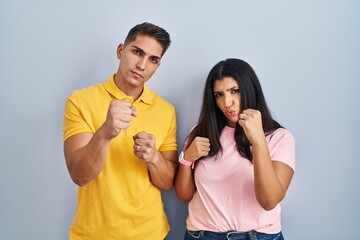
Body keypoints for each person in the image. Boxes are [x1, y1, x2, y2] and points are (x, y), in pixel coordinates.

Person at [62, 22, 178, 240]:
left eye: (153, 59)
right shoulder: (80, 100)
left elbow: (167, 182)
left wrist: (154, 158)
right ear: (120, 51)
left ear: (157, 66)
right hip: (94, 234)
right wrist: (105, 132)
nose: (142, 65)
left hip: (151, 233)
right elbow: (79, 175)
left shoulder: (166, 110)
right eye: (137, 52)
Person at [174, 58, 295, 240]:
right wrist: (186, 158)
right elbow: (184, 195)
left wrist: (258, 141)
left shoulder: (280, 138)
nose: (227, 102)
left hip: (257, 236)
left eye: (234, 91)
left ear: (249, 89)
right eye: (219, 95)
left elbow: (269, 201)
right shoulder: (201, 132)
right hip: (201, 235)